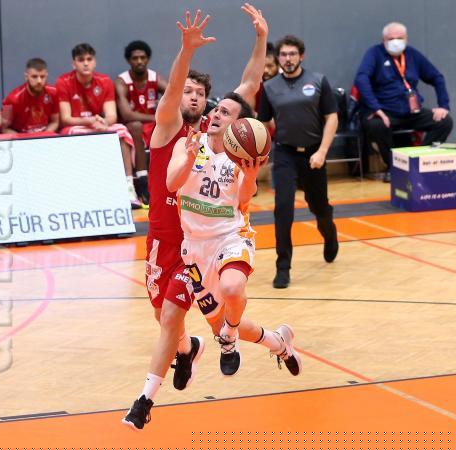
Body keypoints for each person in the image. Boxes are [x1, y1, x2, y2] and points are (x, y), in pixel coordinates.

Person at [122, 5, 300, 432]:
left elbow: (248, 86)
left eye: (200, 93)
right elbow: (172, 93)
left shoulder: (218, 133)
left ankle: (145, 400)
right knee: (179, 322)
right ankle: (253, 343)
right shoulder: (168, 128)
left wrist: (262, 39)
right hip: (166, 242)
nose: (193, 97)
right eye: (187, 90)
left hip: (204, 243)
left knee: (184, 319)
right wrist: (185, 51)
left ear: (208, 101)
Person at [258, 35, 340, 289]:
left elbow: (332, 117)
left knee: (319, 207)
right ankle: (283, 267)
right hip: (285, 154)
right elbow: (264, 122)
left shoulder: (317, 81)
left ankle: (329, 233)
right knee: (283, 208)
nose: (288, 59)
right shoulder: (269, 87)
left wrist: (322, 151)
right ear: (278, 58)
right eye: (283, 54)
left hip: (314, 153)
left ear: (301, 56)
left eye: (292, 54)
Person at [354, 22, 453, 183]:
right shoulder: (374, 54)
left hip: (411, 111)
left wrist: (443, 106)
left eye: (399, 38)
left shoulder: (413, 55)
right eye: (390, 38)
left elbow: (437, 77)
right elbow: (361, 79)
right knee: (376, 125)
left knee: (444, 121)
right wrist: (376, 108)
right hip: (385, 111)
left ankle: (420, 161)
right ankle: (394, 167)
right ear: (383, 40)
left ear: (406, 39)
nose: (395, 42)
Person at [56, 43, 143, 209]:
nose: (86, 63)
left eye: (89, 59)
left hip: (98, 124)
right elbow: (66, 118)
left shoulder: (104, 81)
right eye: (81, 60)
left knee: (122, 131)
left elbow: (112, 115)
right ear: (74, 64)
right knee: (70, 133)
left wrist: (104, 122)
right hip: (77, 125)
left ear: (94, 62)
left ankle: (129, 187)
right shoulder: (63, 82)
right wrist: (88, 121)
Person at [116, 40, 168, 205]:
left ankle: (166, 181)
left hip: (152, 125)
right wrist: (156, 118)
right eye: (135, 58)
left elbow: (173, 95)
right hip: (131, 127)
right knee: (136, 126)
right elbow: (127, 114)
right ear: (129, 60)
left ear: (148, 59)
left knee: (170, 126)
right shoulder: (122, 81)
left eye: (142, 57)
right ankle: (142, 181)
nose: (139, 61)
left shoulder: (154, 77)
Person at [2, 58, 59, 134]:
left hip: (45, 136)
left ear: (46, 76)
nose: (39, 81)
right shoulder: (12, 99)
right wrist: (23, 139)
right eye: (34, 77)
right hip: (21, 137)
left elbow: (55, 122)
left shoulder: (53, 93)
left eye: (42, 77)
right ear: (26, 77)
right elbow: (3, 129)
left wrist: (44, 135)